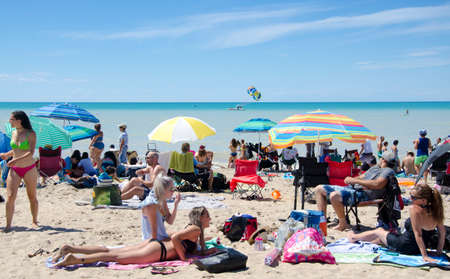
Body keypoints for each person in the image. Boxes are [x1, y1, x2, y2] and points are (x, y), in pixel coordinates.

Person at [51, 206, 217, 267]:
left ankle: (70, 248)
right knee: (114, 256)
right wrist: (183, 259)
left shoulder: (194, 230)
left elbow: (174, 236)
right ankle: (74, 259)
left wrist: (205, 251)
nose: (210, 219)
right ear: (201, 217)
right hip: (158, 251)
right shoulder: (195, 229)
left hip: (155, 245)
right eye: (208, 216)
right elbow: (175, 239)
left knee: (112, 251)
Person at [347, 183, 445, 262]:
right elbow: (442, 232)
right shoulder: (437, 210)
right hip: (417, 248)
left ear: (423, 200)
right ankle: (365, 241)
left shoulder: (414, 209)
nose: (410, 199)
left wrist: (425, 256)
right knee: (379, 240)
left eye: (413, 198)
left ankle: (353, 237)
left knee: (379, 231)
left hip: (405, 246)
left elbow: (418, 235)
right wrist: (438, 252)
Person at [315, 151, 397, 231]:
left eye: (381, 158)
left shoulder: (388, 171)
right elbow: (362, 176)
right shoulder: (375, 168)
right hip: (352, 189)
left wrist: (356, 181)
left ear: (384, 160)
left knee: (334, 195)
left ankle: (343, 224)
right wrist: (351, 179)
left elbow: (377, 184)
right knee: (319, 189)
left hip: (363, 194)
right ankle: (322, 222)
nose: (379, 159)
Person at [0, 111, 39, 232]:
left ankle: (34, 221)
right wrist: (7, 155)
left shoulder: (31, 133)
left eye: (11, 119)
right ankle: (8, 225)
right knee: (10, 196)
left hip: (29, 168)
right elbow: (15, 149)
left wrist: (15, 159)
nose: (9, 121)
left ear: (19, 120)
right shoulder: (13, 132)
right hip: (15, 169)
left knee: (31, 196)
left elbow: (30, 152)